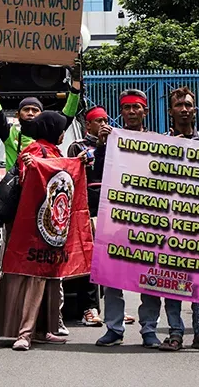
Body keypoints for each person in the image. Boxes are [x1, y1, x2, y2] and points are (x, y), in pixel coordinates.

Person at [97, 89, 173, 349]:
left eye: (136, 108)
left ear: (145, 111)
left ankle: (149, 330)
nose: (131, 112)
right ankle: (114, 329)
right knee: (111, 277)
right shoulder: (109, 140)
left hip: (149, 219)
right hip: (117, 219)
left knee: (150, 277)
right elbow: (98, 177)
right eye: (127, 108)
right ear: (121, 112)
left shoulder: (156, 141)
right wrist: (100, 147)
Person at [0, 110, 72, 351]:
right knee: (36, 276)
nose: (63, 133)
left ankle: (44, 329)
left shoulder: (53, 151)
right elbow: (27, 178)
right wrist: (32, 166)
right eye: (61, 129)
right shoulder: (34, 151)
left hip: (50, 226)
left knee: (49, 276)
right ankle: (25, 333)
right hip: (34, 226)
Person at [158, 87, 199, 352]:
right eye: (179, 105)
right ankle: (175, 333)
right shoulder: (158, 144)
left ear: (195, 109)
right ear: (170, 111)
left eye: (188, 105)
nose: (184, 109)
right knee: (171, 281)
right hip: (169, 224)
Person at [0, 55, 81, 169]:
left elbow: (69, 113)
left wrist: (76, 81)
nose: (30, 113)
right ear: (18, 115)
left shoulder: (50, 133)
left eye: (35, 110)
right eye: (26, 109)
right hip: (18, 186)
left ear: (42, 115)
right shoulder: (9, 133)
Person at [67, 105, 109, 327]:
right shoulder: (77, 147)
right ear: (88, 124)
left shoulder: (114, 144)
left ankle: (112, 307)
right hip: (87, 209)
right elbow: (73, 173)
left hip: (109, 206)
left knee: (110, 258)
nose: (103, 124)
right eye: (99, 121)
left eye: (105, 120)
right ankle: (88, 308)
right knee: (90, 259)